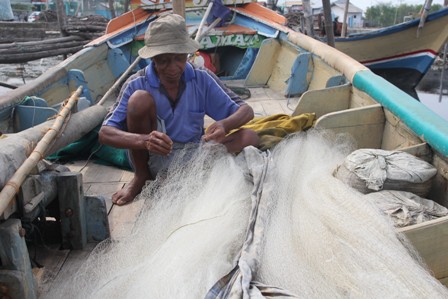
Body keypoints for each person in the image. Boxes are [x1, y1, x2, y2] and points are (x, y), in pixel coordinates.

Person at [99, 14, 259, 206]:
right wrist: (145, 141)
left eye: (179, 59)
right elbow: (105, 133)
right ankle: (141, 177)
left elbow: (246, 111)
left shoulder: (201, 78)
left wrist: (224, 125)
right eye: (164, 60)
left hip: (193, 153)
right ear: (153, 59)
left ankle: (177, 175)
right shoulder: (136, 83)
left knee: (249, 137)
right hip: (152, 156)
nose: (173, 68)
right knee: (139, 100)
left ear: (187, 55)